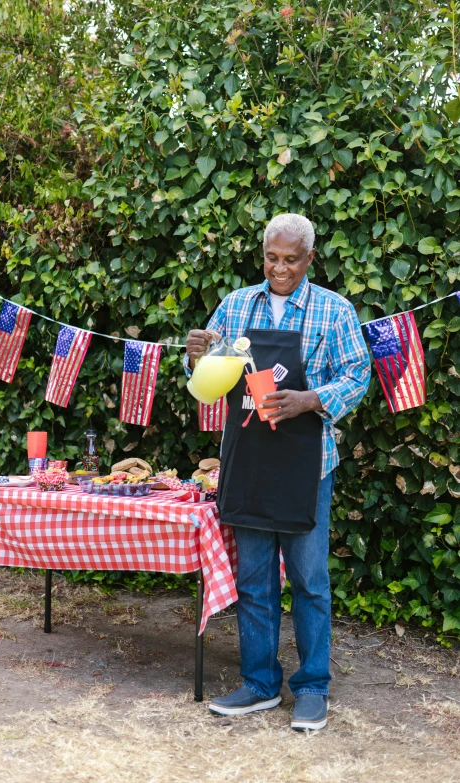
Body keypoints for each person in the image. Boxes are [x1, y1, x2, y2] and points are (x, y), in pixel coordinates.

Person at [184, 213, 371, 731]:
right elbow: (208, 382)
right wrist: (194, 355)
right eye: (272, 257)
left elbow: (358, 374)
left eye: (291, 259)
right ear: (262, 254)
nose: (279, 268)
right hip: (247, 461)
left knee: (310, 580)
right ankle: (260, 683)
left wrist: (312, 398)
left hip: (307, 466)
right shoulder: (236, 305)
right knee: (254, 579)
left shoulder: (335, 312)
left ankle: (312, 687)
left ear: (309, 259)